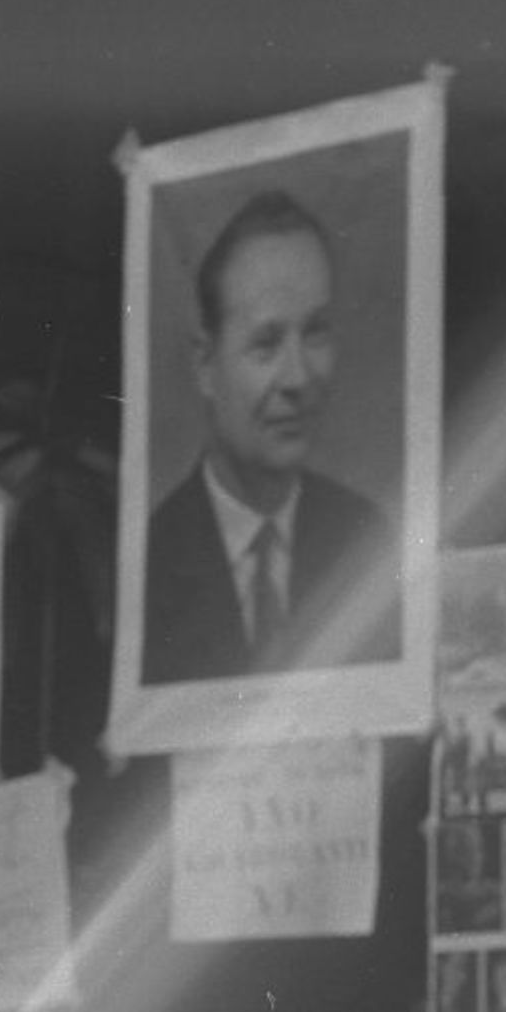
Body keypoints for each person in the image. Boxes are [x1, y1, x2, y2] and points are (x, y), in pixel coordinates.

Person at [141, 188, 398, 684]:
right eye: (266, 342)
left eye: (316, 332)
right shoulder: (147, 565)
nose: (298, 377)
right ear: (205, 366)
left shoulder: (366, 538)